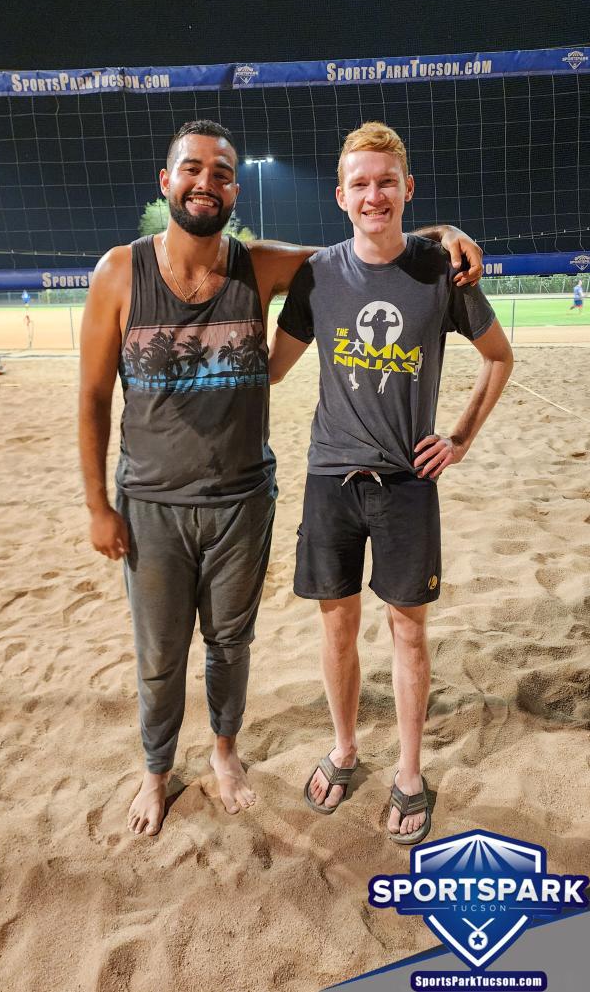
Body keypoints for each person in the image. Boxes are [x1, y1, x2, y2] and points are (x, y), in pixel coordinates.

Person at [79, 118, 483, 837]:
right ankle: (155, 769)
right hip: (150, 499)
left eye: (222, 173)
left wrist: (443, 229)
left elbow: (367, 243)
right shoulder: (120, 270)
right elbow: (91, 398)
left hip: (241, 497)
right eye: (192, 169)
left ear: (236, 188)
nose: (206, 183)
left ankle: (226, 753)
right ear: (166, 181)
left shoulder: (260, 265)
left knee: (231, 643)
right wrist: (97, 506)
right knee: (160, 653)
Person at [269, 121, 513, 845]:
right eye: (359, 183)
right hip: (329, 478)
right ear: (341, 196)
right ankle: (345, 749)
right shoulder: (319, 274)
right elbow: (273, 368)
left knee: (408, 632)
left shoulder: (442, 270)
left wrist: (461, 436)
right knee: (337, 625)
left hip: (407, 481)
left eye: (386, 181)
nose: (373, 194)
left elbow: (499, 357)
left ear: (407, 189)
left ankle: (409, 771)